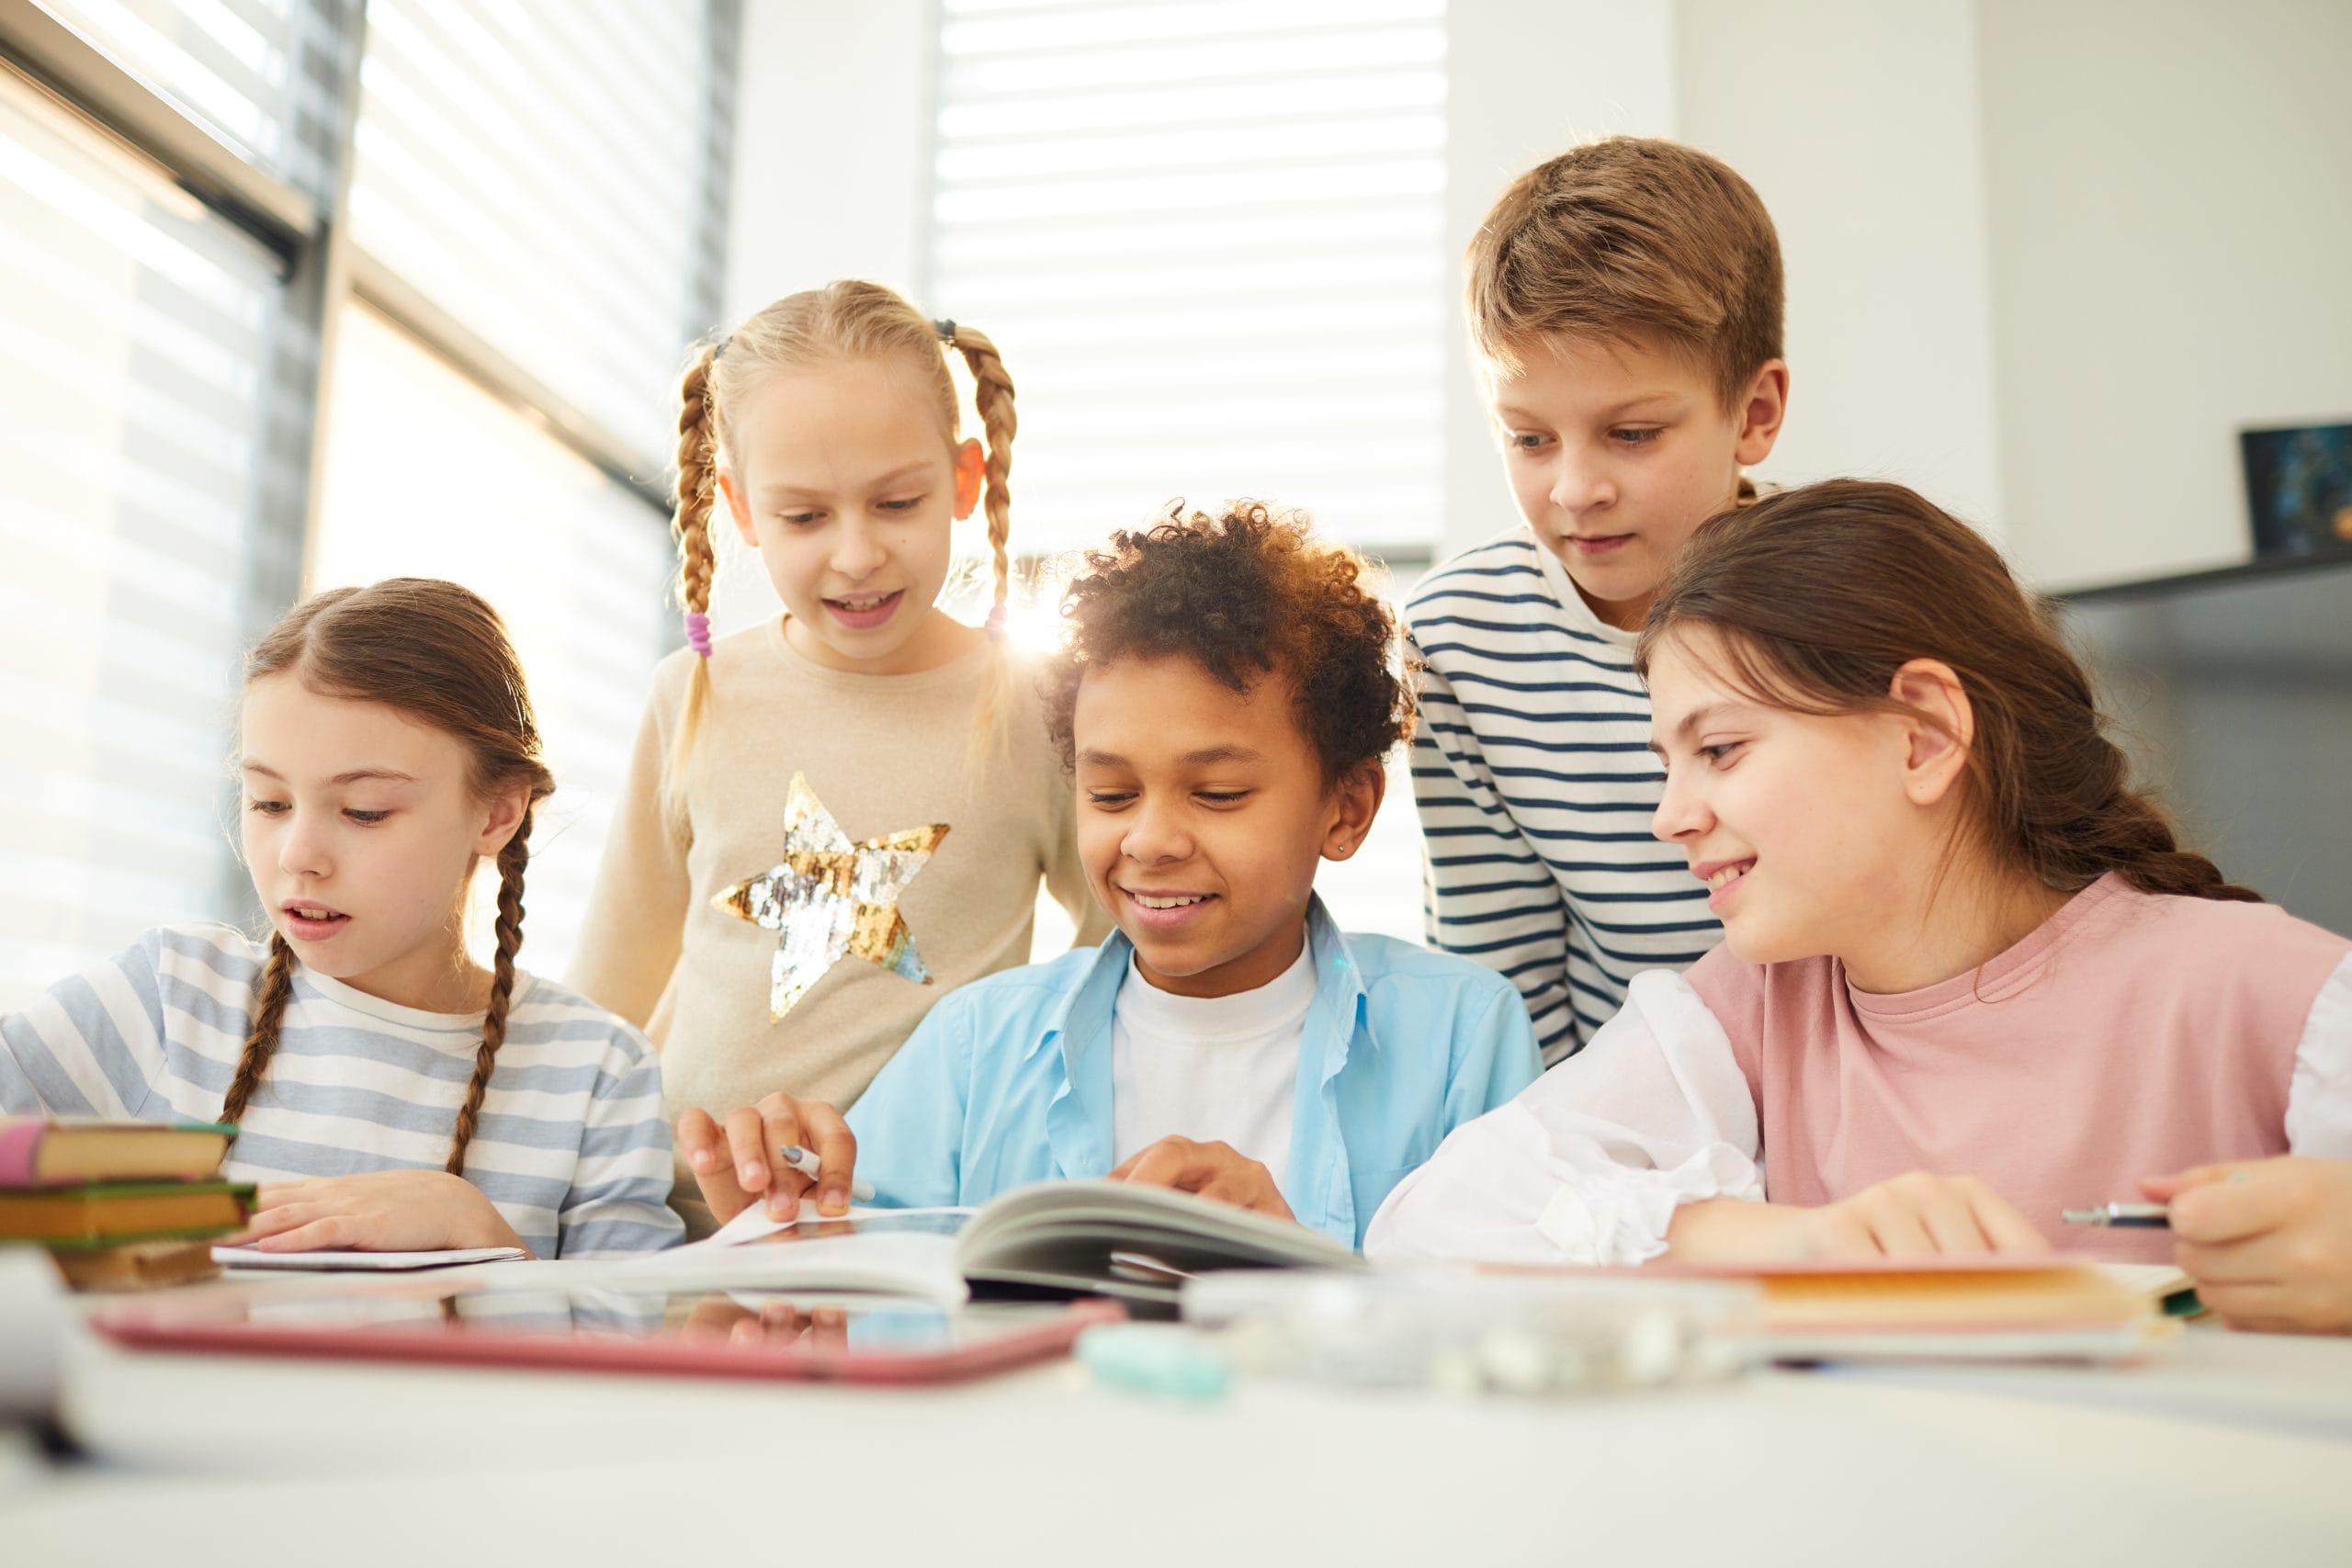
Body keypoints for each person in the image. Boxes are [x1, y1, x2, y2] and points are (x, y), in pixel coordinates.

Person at [1366, 480, 2352, 1268]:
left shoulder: (2267, 990)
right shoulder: (1745, 1014)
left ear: (1922, 735)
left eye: (1719, 750)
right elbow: (1429, 1222)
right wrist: (1792, 1241)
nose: (1670, 816)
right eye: (1667, 762)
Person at [683, 502, 1541, 1246]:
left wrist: (1303, 1275)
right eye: (1113, 791)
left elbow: (1514, 1338)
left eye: (1218, 792)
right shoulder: (976, 1048)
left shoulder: (1462, 1040)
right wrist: (780, 1220)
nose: (1151, 839)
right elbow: (860, 1294)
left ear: (1346, 809)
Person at [566, 281, 1104, 1227]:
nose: (856, 555)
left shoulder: (1035, 707)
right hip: (675, 1218)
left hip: (917, 1222)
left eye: (896, 502)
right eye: (805, 518)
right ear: (739, 509)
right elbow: (609, 991)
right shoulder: (690, 693)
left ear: (965, 480)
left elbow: (1116, 944)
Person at [0, 580, 681, 1258]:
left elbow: (619, 1356)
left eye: (364, 811)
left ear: (498, 812)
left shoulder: (597, 1075)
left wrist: (476, 1232)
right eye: (268, 802)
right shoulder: (171, 997)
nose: (298, 855)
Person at [1408, 137, 1791, 1062]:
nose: (1575, 489)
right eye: (1528, 439)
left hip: (1855, 1097)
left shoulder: (1853, 598)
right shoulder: (1459, 641)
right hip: (1615, 1123)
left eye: (1630, 433)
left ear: (1754, 414)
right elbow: (1500, 982)